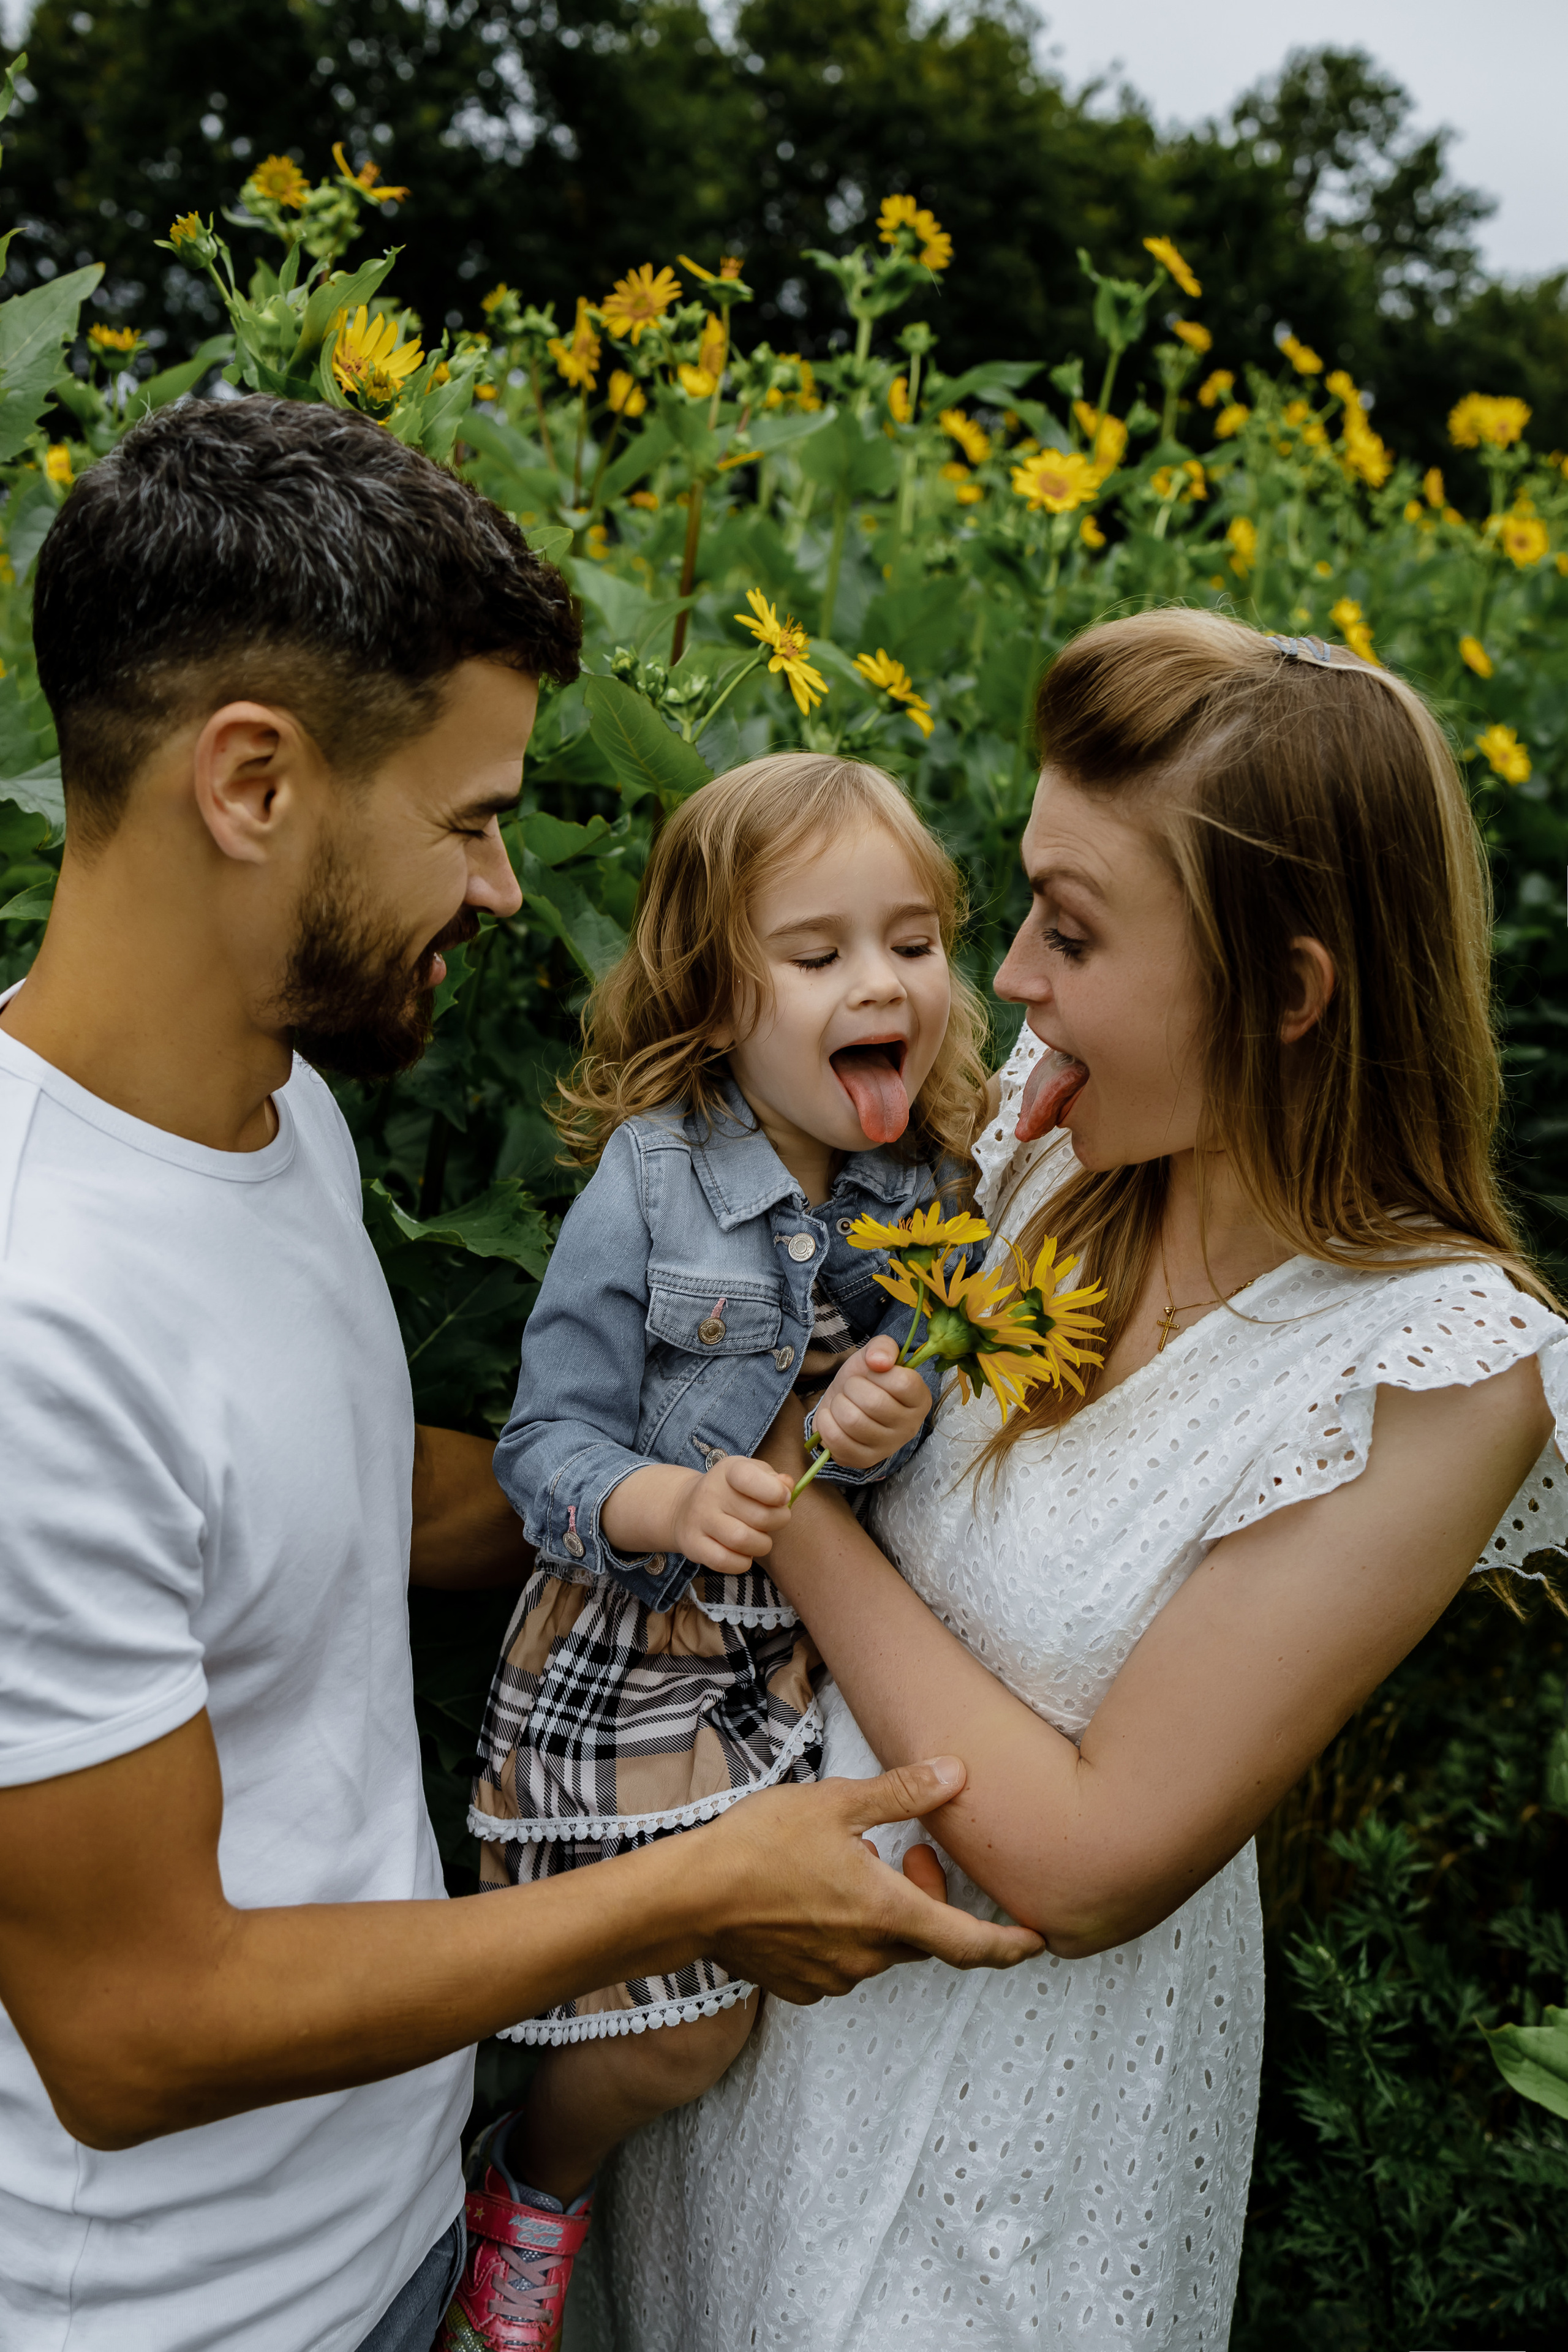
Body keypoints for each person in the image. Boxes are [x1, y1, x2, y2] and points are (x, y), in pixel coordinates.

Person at [0, 395, 1039, 2352]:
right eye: (469, 823)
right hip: (188, 2312)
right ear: (251, 783)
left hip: (382, 2218)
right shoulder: (30, 1317)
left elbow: (328, 1498)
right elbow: (131, 2033)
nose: (498, 890)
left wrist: (726, 1502)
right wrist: (692, 1887)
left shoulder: (269, 1108)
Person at [595, 611, 1568, 2349]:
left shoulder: (1439, 1369)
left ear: (1288, 992)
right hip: (761, 2050)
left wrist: (792, 1504)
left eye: (1077, 930)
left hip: (1015, 2152)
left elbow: (1096, 1858)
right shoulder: (1051, 1156)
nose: (1018, 980)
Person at [446, 755, 985, 2334]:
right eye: (817, 957)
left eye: (914, 942)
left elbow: (943, 1360)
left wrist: (899, 1400)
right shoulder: (657, 1180)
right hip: (644, 1643)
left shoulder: (933, 1185)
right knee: (680, 2032)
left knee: (791, 2002)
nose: (879, 983)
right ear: (715, 991)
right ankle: (528, 2191)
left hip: (815, 1655)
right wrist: (670, 1503)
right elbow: (541, 1448)